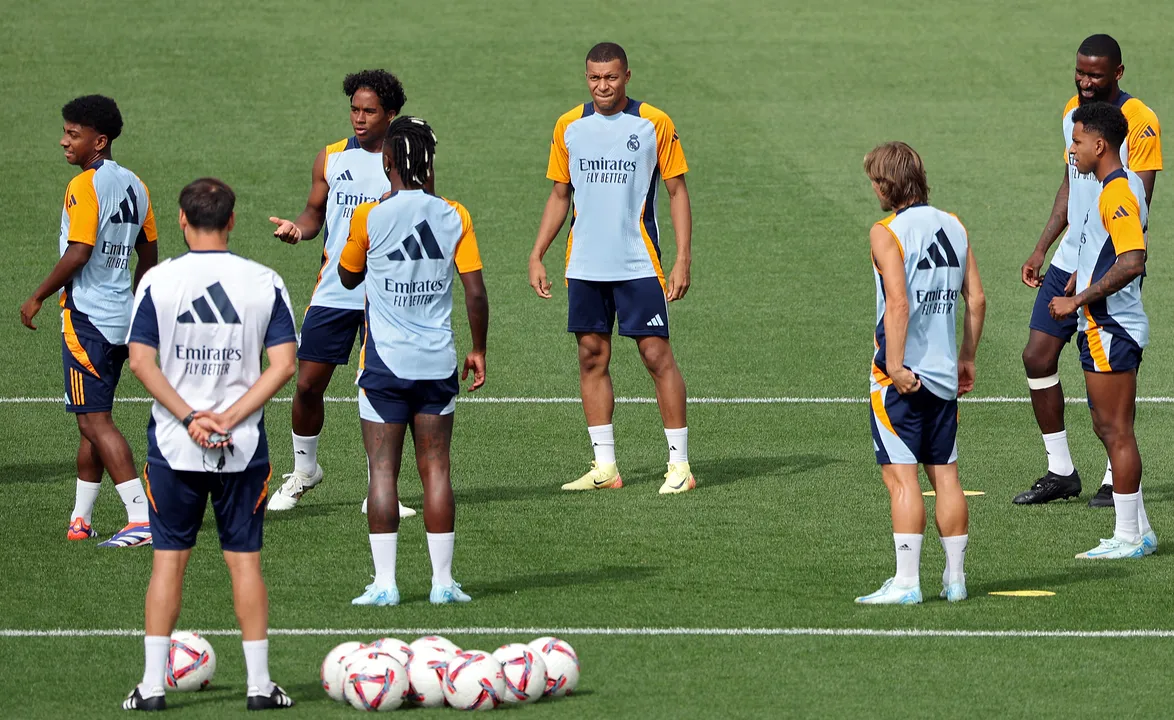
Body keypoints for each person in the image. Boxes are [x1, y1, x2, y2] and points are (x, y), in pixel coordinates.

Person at [122, 179, 297, 710]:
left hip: (174, 447)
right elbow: (285, 365)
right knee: (244, 563)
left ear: (180, 219)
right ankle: (260, 687)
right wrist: (229, 417)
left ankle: (152, 689)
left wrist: (191, 417)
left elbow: (140, 361)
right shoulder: (263, 281)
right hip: (242, 447)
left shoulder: (158, 281)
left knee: (168, 563)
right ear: (232, 220)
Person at [527, 42, 696, 495]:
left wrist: (682, 258)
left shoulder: (653, 123)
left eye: (612, 77)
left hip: (638, 262)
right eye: (595, 78)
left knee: (656, 355)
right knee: (590, 356)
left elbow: (677, 192)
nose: (603, 86)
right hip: (584, 263)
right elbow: (560, 195)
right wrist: (537, 253)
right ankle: (605, 467)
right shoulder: (569, 126)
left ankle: (679, 466)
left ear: (627, 76)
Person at [337, 116, 489, 606]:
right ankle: (443, 584)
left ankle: (385, 584)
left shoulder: (369, 217)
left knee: (383, 472)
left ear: (386, 162)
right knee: (437, 471)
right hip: (438, 364)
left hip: (384, 367)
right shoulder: (455, 215)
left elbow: (345, 277)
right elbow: (475, 291)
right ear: (430, 161)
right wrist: (478, 349)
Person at [1016, 34, 1161, 507]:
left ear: (1118, 72)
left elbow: (1134, 203)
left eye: (1095, 74)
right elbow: (1070, 183)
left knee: (1111, 371)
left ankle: (1112, 476)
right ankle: (1061, 470)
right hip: (1067, 260)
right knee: (1038, 356)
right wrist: (1043, 247)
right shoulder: (1073, 115)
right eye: (1080, 71)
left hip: (1104, 262)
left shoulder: (1139, 122)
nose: (1085, 81)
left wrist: (1092, 268)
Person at [266, 70, 416, 519]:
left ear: (391, 114)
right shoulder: (331, 158)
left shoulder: (405, 160)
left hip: (384, 298)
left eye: (370, 111)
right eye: (355, 109)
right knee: (308, 383)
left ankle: (380, 488)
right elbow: (314, 215)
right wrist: (298, 230)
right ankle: (305, 470)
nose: (360, 118)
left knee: (378, 394)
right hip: (334, 292)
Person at [20, 95, 157, 547]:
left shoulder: (84, 186)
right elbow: (149, 253)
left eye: (73, 135)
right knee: (93, 416)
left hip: (88, 319)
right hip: (121, 318)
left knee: (94, 421)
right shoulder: (137, 185)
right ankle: (81, 518)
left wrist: (39, 295)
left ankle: (139, 518)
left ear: (98, 141)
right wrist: (136, 301)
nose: (64, 141)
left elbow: (78, 251)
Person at [856, 142, 986, 605]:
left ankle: (908, 582)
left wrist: (893, 366)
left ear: (887, 184)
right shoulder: (954, 225)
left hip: (902, 379)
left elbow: (898, 302)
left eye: (874, 180)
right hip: (945, 376)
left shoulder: (885, 232)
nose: (872, 188)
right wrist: (967, 356)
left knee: (902, 479)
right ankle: (955, 580)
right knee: (946, 476)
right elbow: (977, 299)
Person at [1047, 103, 1157, 559]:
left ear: (1100, 144)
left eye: (1076, 143)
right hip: (1106, 323)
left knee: (1115, 431)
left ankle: (1128, 537)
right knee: (1107, 426)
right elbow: (1107, 248)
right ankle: (1141, 530)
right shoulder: (1115, 186)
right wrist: (1081, 277)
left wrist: (1077, 299)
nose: (1072, 151)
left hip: (1111, 326)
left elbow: (1133, 259)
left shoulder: (1115, 192)